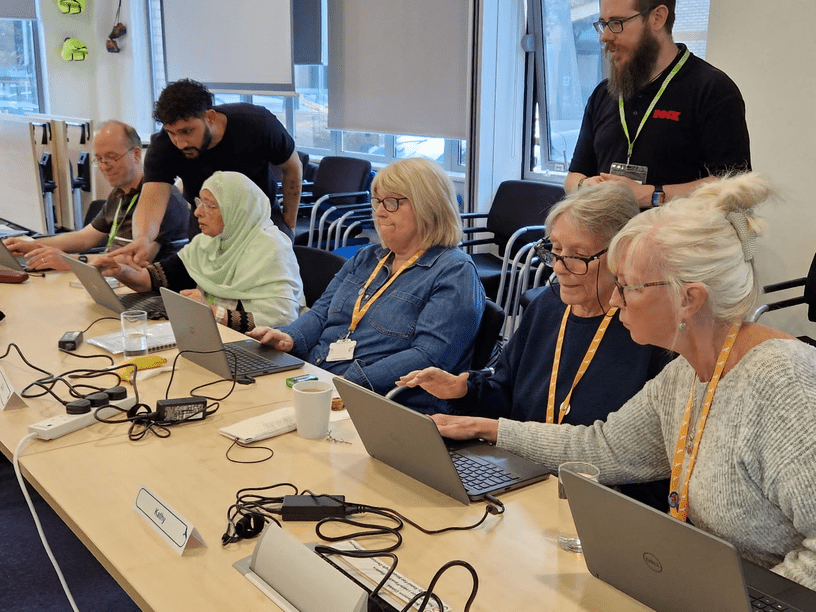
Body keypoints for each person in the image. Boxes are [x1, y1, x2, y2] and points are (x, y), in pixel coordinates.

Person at [431, 173, 816, 591]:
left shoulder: (783, 381)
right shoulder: (683, 375)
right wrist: (486, 427)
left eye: (629, 286)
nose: (614, 300)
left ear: (689, 299)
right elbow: (603, 447)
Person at [398, 183, 672, 508]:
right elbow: (505, 392)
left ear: (621, 255)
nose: (558, 268)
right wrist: (463, 389)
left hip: (600, 504)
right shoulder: (547, 307)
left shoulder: (649, 334)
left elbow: (637, 459)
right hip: (520, 484)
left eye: (578, 257)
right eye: (554, 250)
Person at [248, 158, 484, 414]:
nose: (380, 212)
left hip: (382, 403)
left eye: (392, 202)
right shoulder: (367, 257)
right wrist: (291, 336)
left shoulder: (453, 272)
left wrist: (350, 382)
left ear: (428, 206)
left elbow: (428, 358)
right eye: (378, 202)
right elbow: (321, 312)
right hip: (320, 382)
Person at [565, 0, 751, 209]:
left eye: (617, 23)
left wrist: (651, 194)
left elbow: (735, 188)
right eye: (603, 24)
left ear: (657, 18)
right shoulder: (603, 94)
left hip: (674, 238)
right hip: (606, 238)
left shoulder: (712, 90)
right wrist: (584, 186)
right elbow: (573, 176)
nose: (605, 36)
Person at [98, 171, 303, 332]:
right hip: (215, 339)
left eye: (210, 206)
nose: (197, 212)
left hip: (264, 351)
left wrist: (213, 312)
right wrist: (122, 271)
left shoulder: (271, 248)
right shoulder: (207, 243)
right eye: (199, 203)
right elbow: (153, 279)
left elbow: (282, 320)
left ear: (236, 211)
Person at [127, 78, 302, 262]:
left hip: (259, 218)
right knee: (205, 285)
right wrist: (143, 239)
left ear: (210, 116)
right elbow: (152, 198)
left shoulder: (257, 124)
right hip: (206, 220)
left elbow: (292, 168)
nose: (180, 143)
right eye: (172, 132)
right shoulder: (164, 146)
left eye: (187, 131)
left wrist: (289, 225)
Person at [3, 121, 188, 271]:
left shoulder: (162, 199)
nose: (104, 166)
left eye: (111, 157)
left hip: (143, 288)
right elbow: (85, 238)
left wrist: (71, 260)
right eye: (99, 159)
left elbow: (135, 259)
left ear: (137, 154)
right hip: (111, 278)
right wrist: (33, 245)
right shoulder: (119, 193)